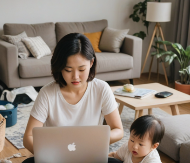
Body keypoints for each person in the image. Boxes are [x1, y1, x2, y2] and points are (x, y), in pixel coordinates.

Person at [22, 33, 124, 162]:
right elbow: (28, 137)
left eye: (81, 70)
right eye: (68, 70)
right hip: (55, 158)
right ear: (59, 68)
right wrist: (49, 157)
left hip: (90, 156)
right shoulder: (47, 93)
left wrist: (93, 141)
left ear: (91, 63)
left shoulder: (101, 89)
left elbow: (118, 130)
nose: (75, 77)